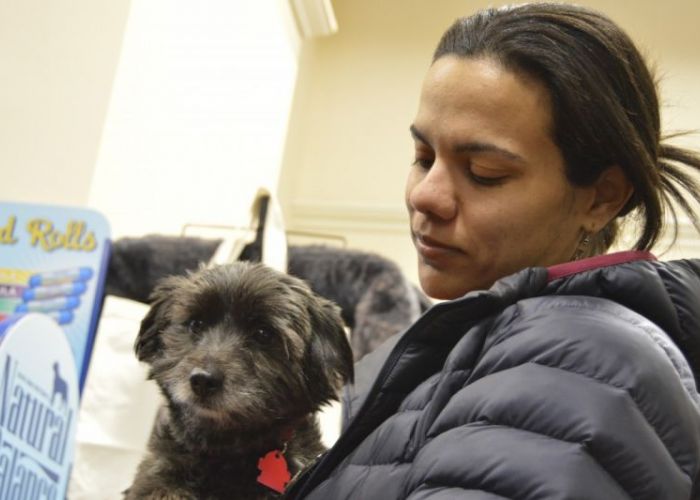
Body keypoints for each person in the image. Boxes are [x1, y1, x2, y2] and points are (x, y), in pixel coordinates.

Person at [285, 3, 700, 499]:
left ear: (602, 197)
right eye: (423, 157)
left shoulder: (578, 365)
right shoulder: (495, 354)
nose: (425, 195)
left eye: (484, 172)